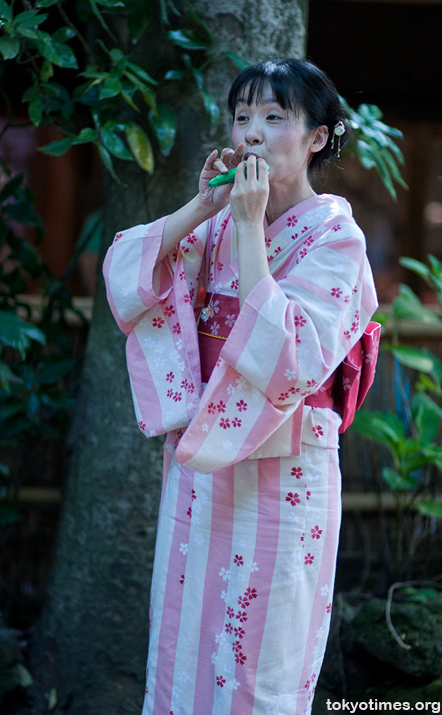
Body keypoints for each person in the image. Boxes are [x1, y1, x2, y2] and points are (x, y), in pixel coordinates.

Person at [103, 58, 380, 715]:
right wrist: (204, 204)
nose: (251, 131)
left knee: (259, 658)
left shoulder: (336, 237)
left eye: (274, 117)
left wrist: (250, 227)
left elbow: (287, 360)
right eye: (242, 116)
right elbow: (127, 278)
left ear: (315, 137)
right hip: (203, 465)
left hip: (283, 473)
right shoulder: (219, 219)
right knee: (183, 646)